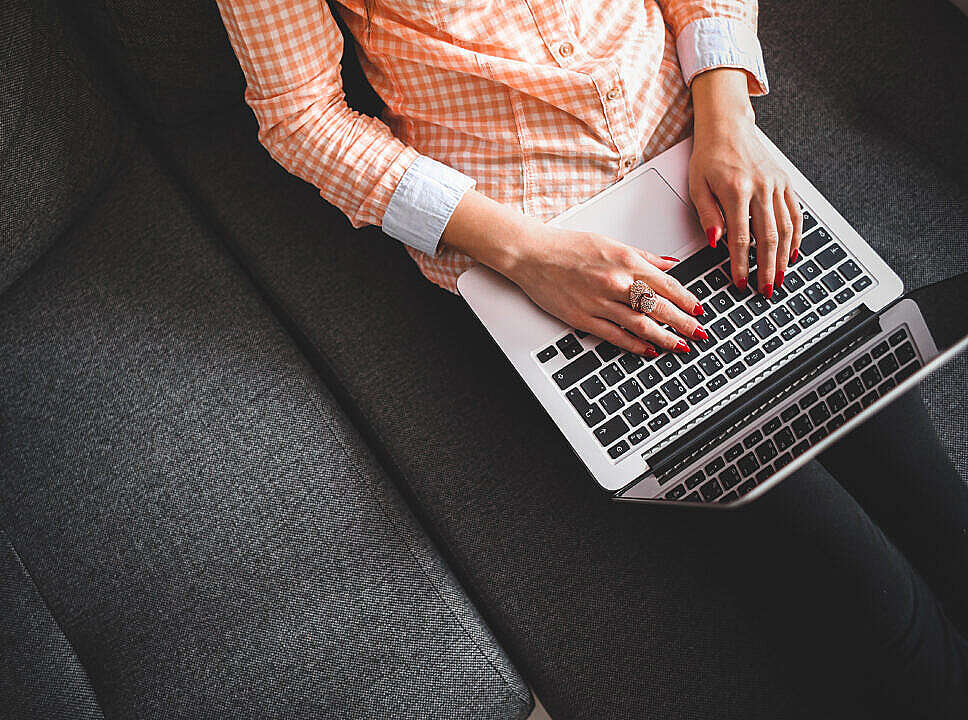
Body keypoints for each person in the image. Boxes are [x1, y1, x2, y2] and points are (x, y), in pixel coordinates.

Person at [215, 1, 967, 714]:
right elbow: (302, 117)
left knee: (933, 503)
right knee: (875, 601)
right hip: (545, 249)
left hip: (702, 160)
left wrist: (730, 118)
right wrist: (529, 253)